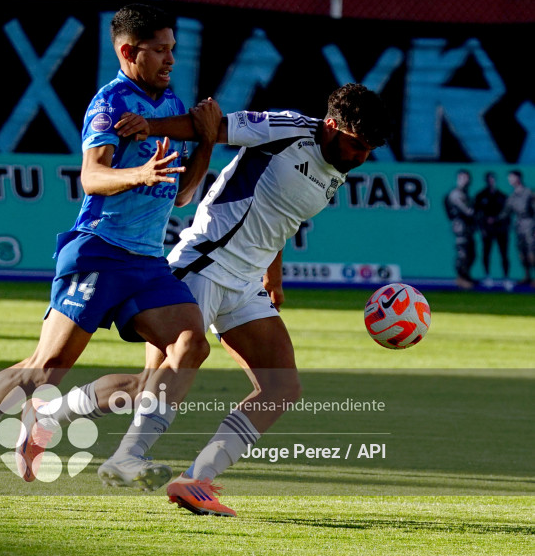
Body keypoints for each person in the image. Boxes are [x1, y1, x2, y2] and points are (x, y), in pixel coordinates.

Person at [26, 83, 392, 516]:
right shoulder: (287, 129)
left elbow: (279, 218)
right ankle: (60, 422)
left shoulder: (336, 168)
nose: (359, 157)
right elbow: (209, 126)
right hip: (203, 264)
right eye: (356, 145)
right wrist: (149, 126)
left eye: (368, 149)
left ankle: (196, 480)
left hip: (245, 284)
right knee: (150, 387)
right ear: (331, 126)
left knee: (281, 388)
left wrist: (273, 278)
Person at [0, 3, 222, 506]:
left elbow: (184, 192)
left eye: (173, 49)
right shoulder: (109, 104)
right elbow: (91, 177)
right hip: (99, 252)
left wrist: (207, 142)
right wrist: (138, 175)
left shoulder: (169, 103)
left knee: (190, 345)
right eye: (161, 50)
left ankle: (123, 454)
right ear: (129, 51)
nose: (171, 59)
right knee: (44, 369)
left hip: (147, 262)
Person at [473, 172, 511, 289]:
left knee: (503, 254)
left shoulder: (502, 196)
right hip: (487, 230)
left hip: (500, 229)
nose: (491, 181)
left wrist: (498, 220)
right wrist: (483, 226)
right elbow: (476, 213)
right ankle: (488, 277)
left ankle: (506, 278)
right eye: (489, 179)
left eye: (492, 179)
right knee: (486, 253)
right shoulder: (480, 196)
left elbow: (507, 213)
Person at [501, 170, 535, 287]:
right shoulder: (512, 196)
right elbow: (506, 212)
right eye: (509, 178)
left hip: (529, 224)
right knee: (522, 253)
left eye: (512, 177)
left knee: (532, 252)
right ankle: (527, 276)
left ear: (518, 178)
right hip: (518, 226)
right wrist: (493, 219)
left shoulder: (529, 192)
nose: (510, 180)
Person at [444, 169, 476, 289]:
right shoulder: (456, 194)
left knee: (471, 253)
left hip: (468, 228)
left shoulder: (465, 193)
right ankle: (461, 278)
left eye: (467, 178)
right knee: (462, 253)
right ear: (458, 179)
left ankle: (466, 276)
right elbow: (467, 211)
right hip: (460, 227)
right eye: (463, 178)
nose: (465, 181)